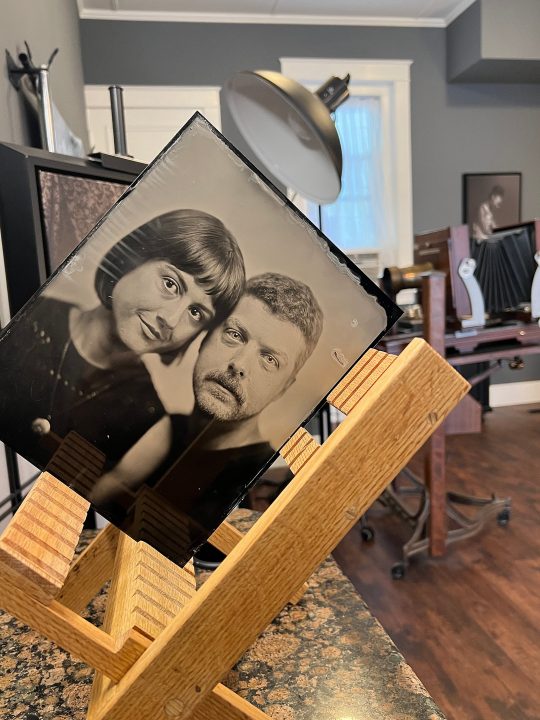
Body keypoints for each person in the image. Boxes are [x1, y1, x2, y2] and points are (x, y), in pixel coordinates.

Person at [91, 272, 324, 563]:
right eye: (235, 334)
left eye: (269, 359)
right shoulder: (170, 427)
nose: (238, 364)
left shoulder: (256, 482)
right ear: (205, 337)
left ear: (284, 388)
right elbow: (102, 495)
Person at [0, 209, 245, 472]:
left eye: (196, 313)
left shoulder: (149, 426)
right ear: (133, 258)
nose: (172, 320)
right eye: (171, 284)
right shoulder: (21, 311)